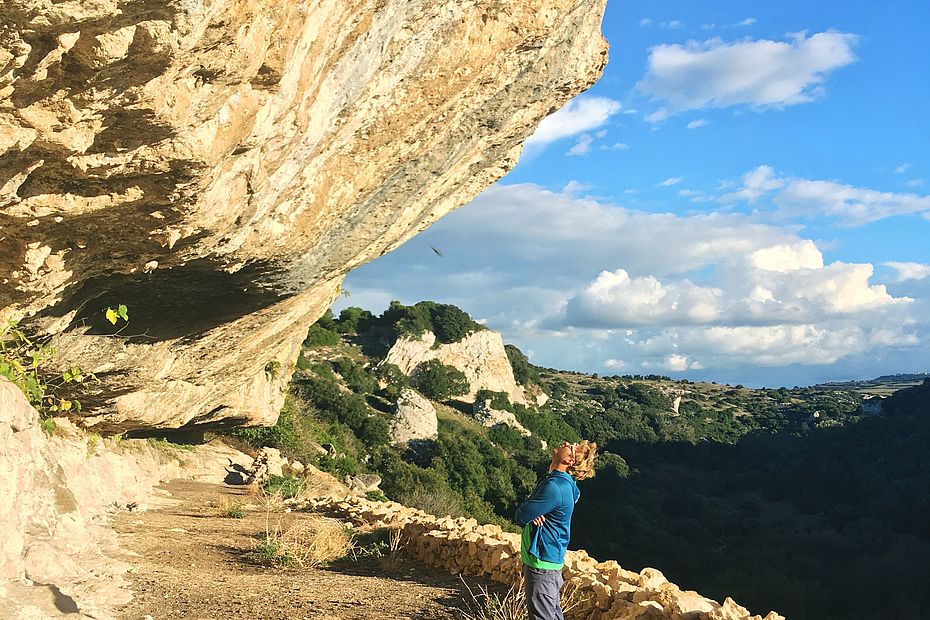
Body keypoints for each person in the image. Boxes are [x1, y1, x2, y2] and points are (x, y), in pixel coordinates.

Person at [514, 439, 597, 620]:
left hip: (542, 561)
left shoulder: (554, 487)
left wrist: (534, 510)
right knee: (552, 614)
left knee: (542, 616)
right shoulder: (565, 483)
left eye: (572, 447)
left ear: (569, 461)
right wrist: (542, 508)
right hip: (551, 559)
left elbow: (521, 516)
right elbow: (575, 495)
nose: (567, 442)